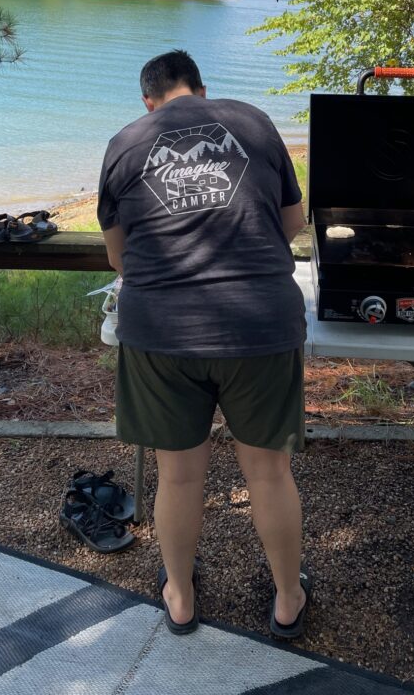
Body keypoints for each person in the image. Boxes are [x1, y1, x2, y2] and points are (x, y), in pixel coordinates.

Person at [97, 49, 309, 639]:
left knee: (180, 475)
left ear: (148, 100)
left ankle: (182, 597)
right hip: (260, 325)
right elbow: (292, 223)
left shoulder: (125, 141)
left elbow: (119, 257)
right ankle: (288, 601)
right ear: (201, 88)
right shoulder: (253, 122)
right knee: (268, 471)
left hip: (161, 330)